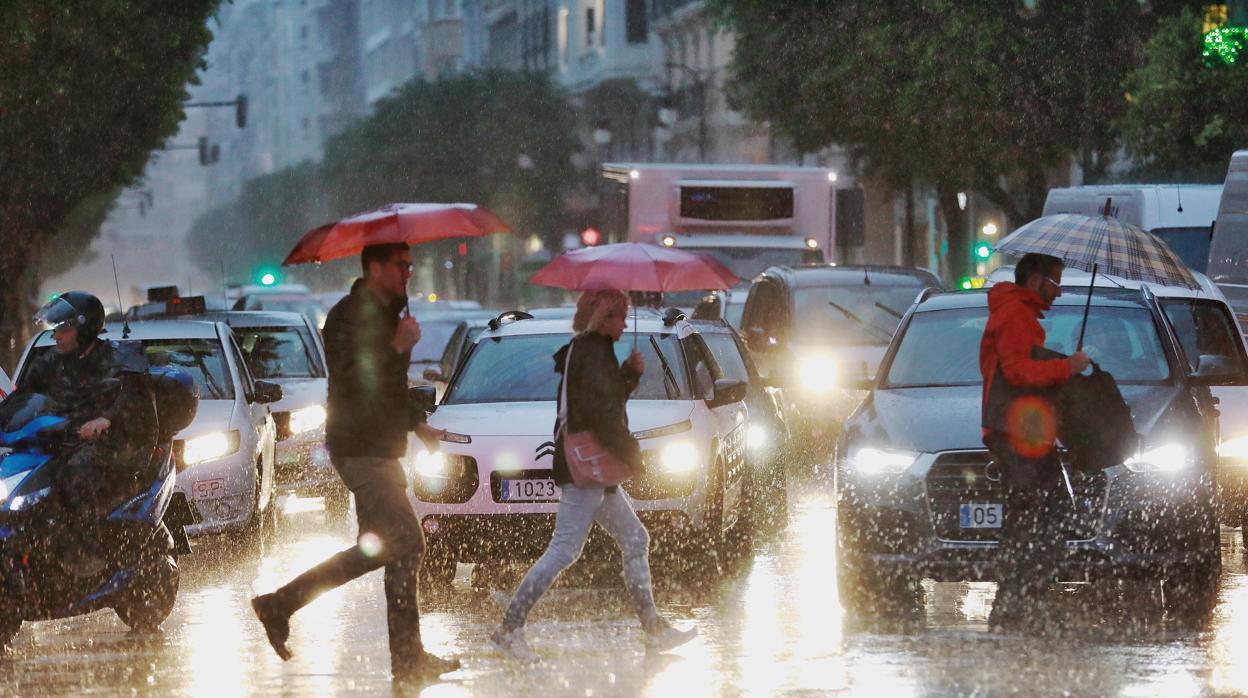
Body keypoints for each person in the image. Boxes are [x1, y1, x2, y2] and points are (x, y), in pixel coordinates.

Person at [250, 243, 458, 684]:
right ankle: (406, 659)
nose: (408, 272)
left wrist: (419, 424)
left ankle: (282, 604)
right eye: (401, 265)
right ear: (375, 268)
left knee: (381, 546)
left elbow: (391, 387)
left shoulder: (389, 315)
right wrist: (395, 345)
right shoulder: (347, 316)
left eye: (410, 265)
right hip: (359, 446)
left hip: (382, 444)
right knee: (408, 541)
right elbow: (353, 379)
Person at [489, 289, 697, 661]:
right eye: (620, 316)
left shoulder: (586, 351)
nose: (624, 323)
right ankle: (509, 628)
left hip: (592, 467)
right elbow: (601, 415)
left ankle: (653, 629)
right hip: (587, 467)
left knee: (635, 538)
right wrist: (631, 452)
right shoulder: (593, 353)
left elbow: (603, 399)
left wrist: (628, 376)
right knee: (564, 549)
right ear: (604, 317)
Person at [980, 253, 1090, 632]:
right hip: (1017, 435)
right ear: (1036, 280)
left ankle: (1019, 604)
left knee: (1038, 518)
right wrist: (1067, 367)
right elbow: (1017, 371)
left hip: (1025, 432)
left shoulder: (1018, 313)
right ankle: (1017, 606)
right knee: (1034, 520)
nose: (1058, 292)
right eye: (1055, 282)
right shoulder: (1014, 314)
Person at [8, 291, 157, 551]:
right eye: (56, 329)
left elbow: (136, 397)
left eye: (64, 329)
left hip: (113, 446)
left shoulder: (117, 359)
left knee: (76, 472)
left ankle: (90, 546)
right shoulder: (48, 363)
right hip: (56, 441)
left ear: (85, 329)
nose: (56, 335)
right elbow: (22, 399)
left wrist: (106, 419)